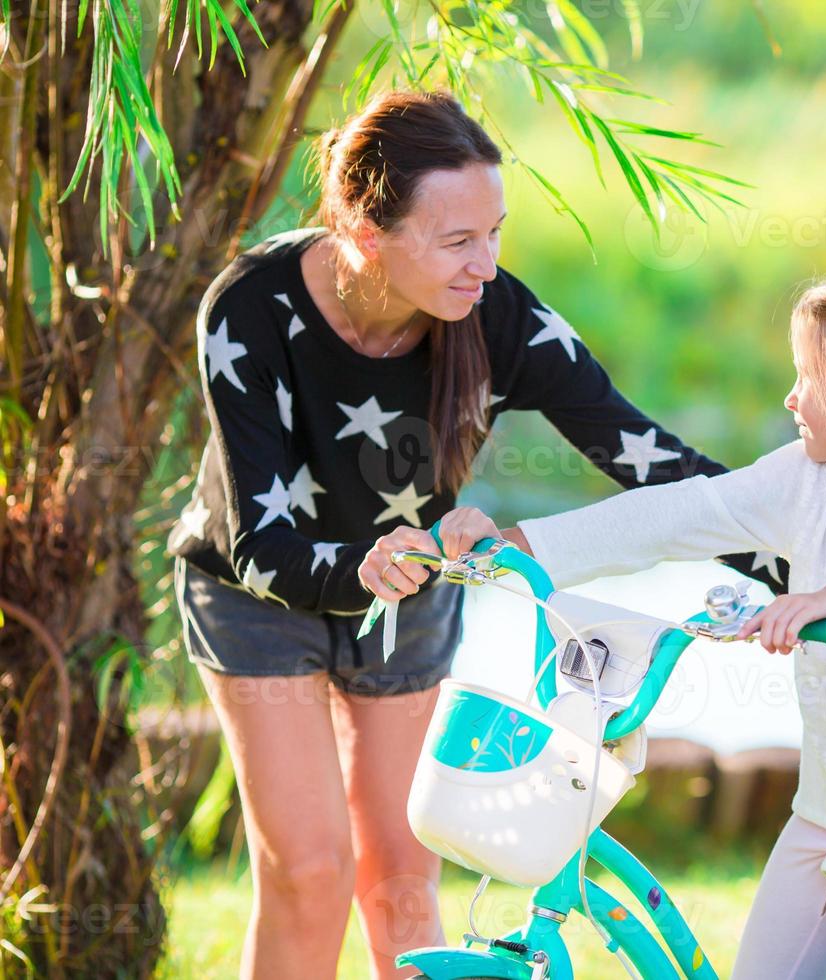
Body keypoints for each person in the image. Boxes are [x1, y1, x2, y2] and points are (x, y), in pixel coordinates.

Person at [164, 88, 782, 979]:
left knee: (405, 882)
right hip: (261, 596)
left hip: (412, 589)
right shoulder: (251, 309)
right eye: (459, 241)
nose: (486, 264)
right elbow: (261, 543)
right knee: (308, 873)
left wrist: (795, 559)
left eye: (496, 233)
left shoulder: (498, 318)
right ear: (368, 235)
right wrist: (370, 566)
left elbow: (648, 460)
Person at [492, 265, 826, 977]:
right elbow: (686, 511)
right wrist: (523, 548)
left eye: (806, 376)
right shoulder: (809, 478)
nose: (790, 396)